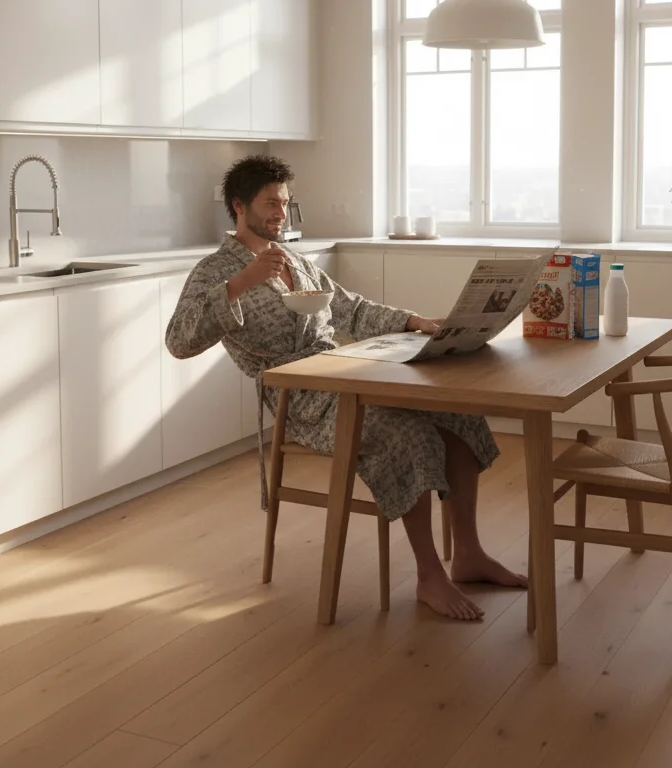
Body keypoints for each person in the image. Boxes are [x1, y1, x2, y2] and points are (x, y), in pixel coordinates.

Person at [165, 154, 526, 620]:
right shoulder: (214, 271)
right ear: (239, 206)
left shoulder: (296, 258)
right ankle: (429, 575)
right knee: (405, 433)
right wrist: (238, 285)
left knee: (458, 413)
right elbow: (178, 341)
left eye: (286, 204)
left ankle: (470, 554)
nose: (281, 213)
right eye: (271, 203)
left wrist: (415, 321)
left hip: (342, 369)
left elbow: (349, 310)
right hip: (299, 398)